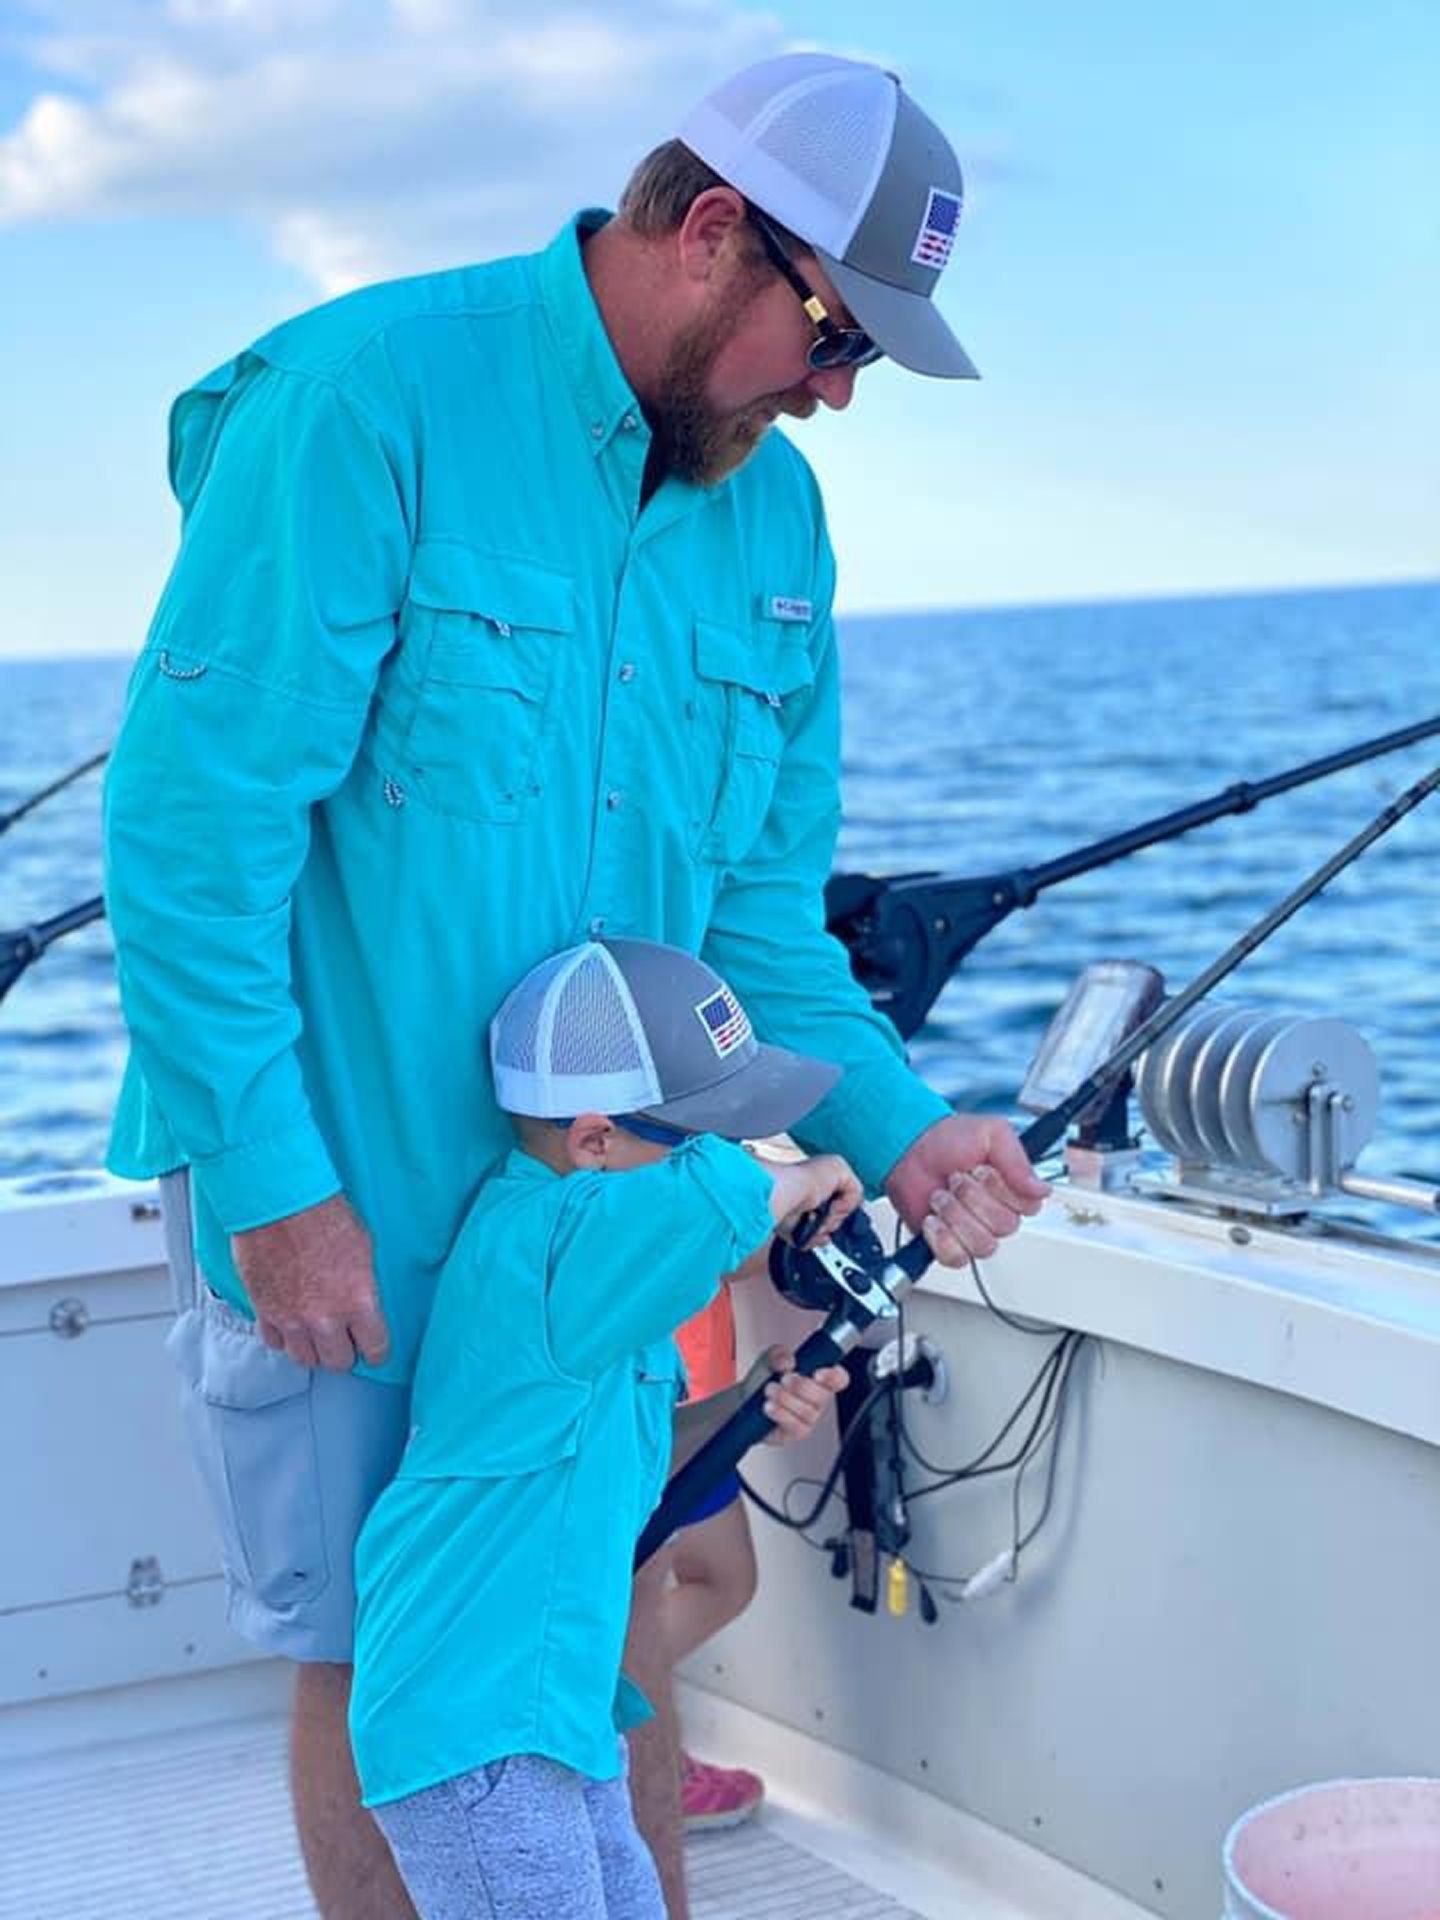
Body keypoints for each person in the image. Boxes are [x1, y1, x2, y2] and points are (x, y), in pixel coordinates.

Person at [103, 48, 1048, 1920]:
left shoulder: (772, 517)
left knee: (606, 1609)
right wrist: (277, 1191)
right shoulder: (359, 400)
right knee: (391, 1663)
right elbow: (188, 849)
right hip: (348, 1201)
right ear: (713, 235)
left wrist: (909, 1130)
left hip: (607, 1212)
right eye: (837, 336)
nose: (843, 395)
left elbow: (766, 914)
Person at [349, 936, 858, 1919]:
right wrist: (819, 1170)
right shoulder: (544, 1244)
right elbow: (723, 1199)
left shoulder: (604, 1301)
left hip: (555, 1713)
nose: (723, 1152)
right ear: (591, 1143)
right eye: (699, 1134)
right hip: (475, 1729)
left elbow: (619, 1459)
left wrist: (748, 1398)